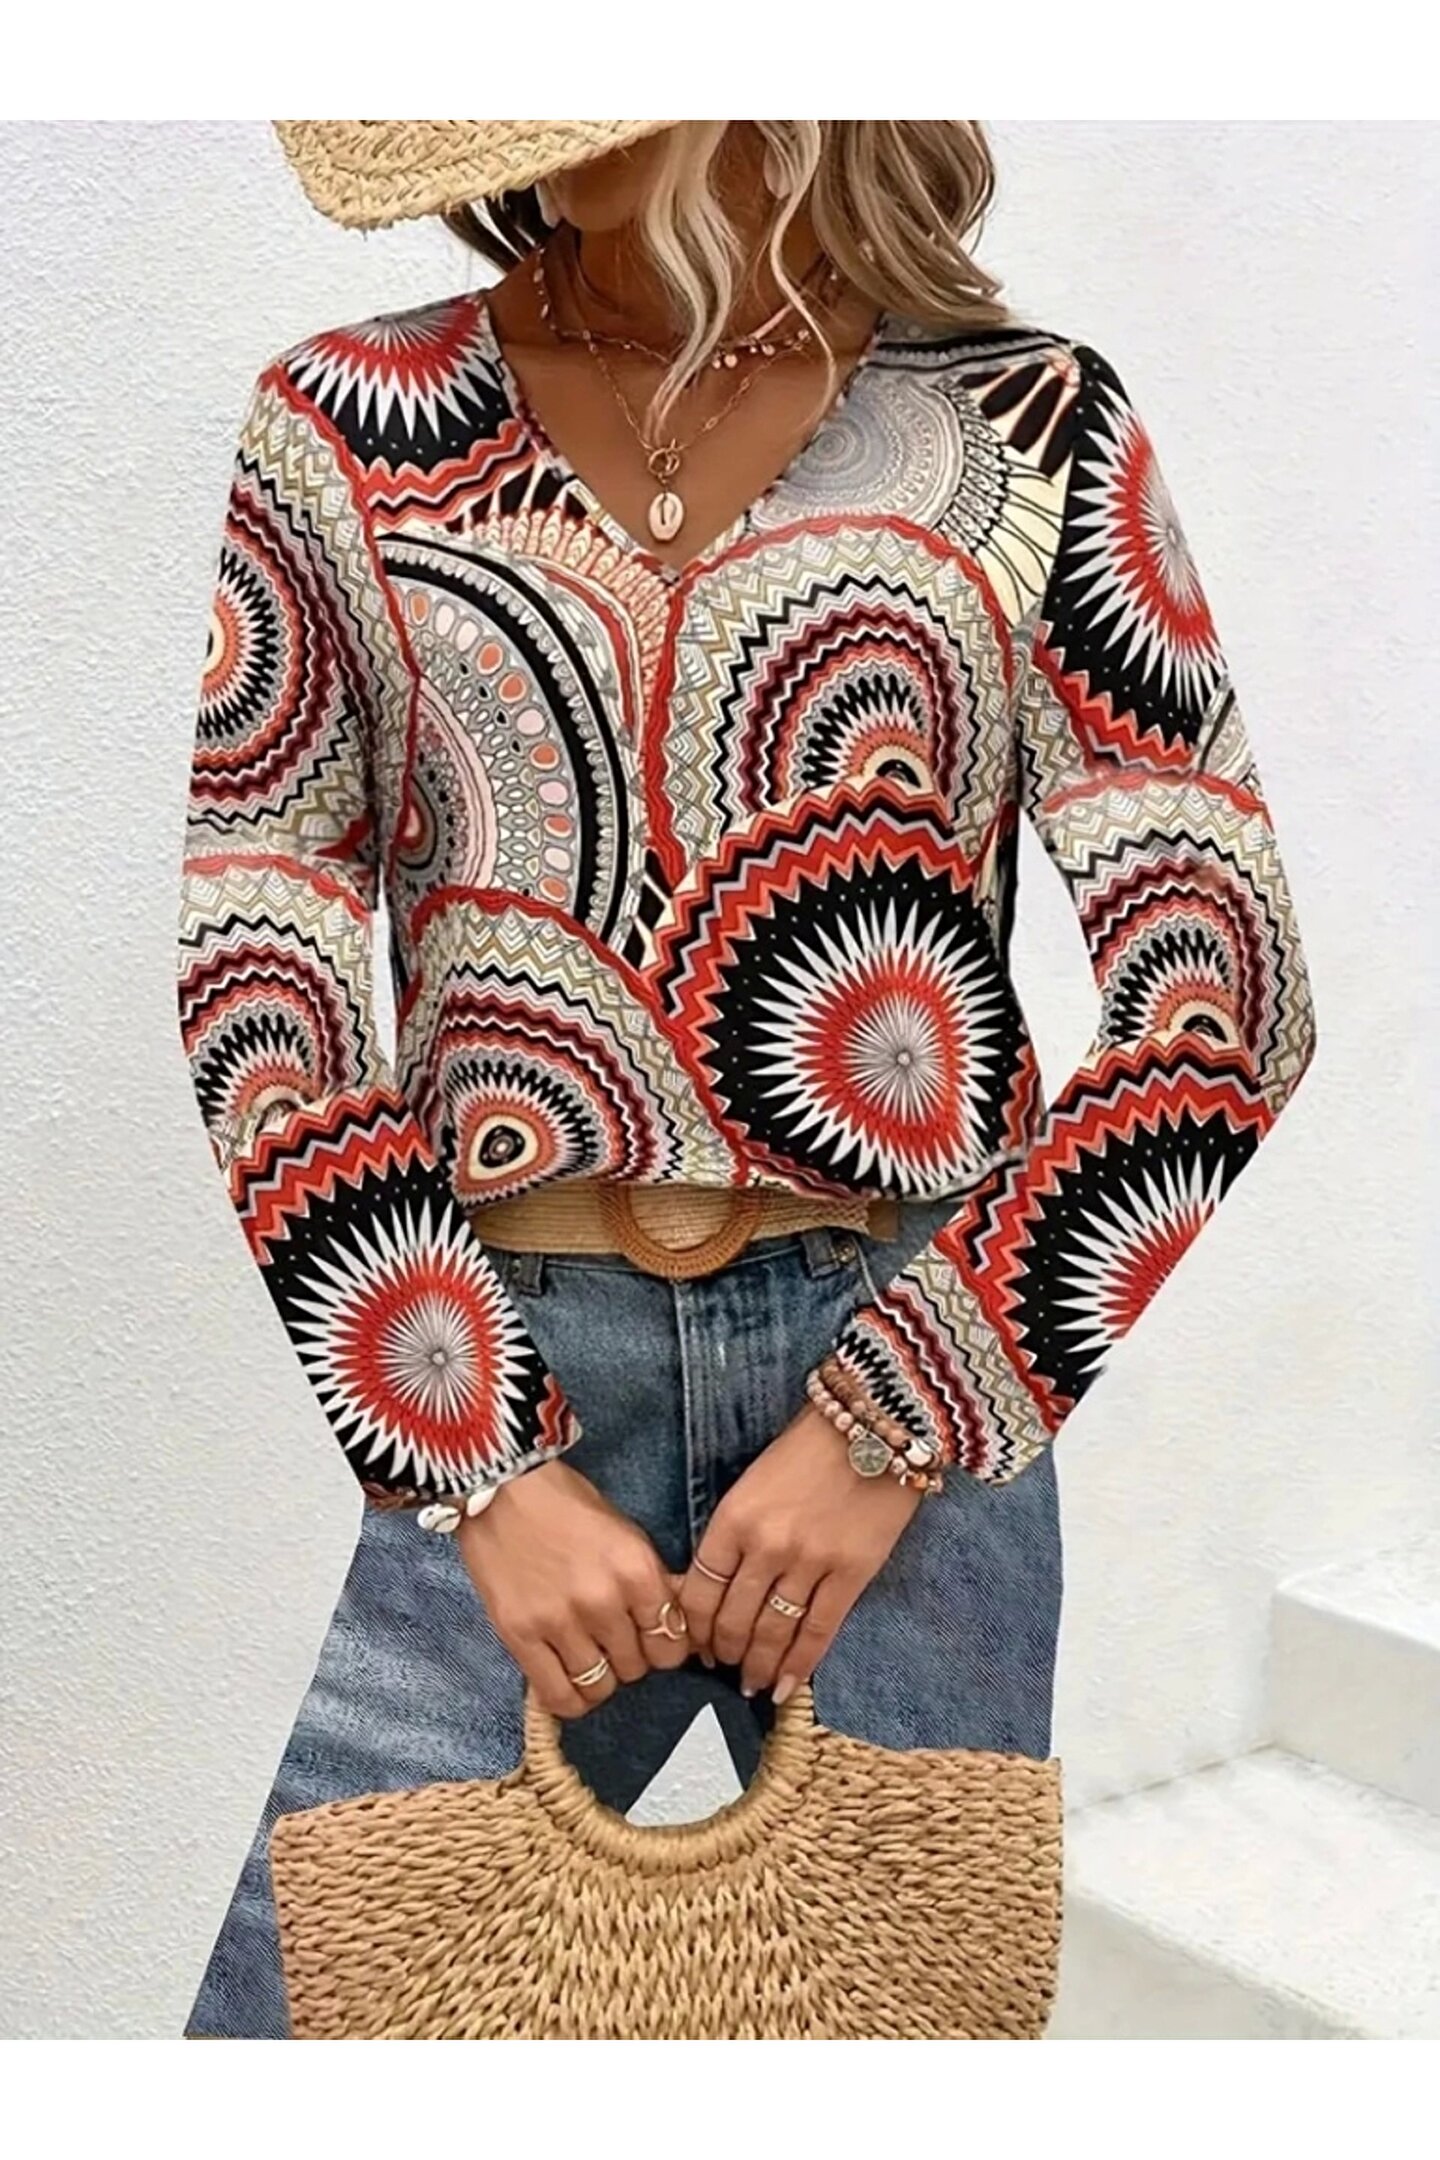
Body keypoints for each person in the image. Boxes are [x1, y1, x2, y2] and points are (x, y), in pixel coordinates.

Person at [176, 120, 1318, 2038]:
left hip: (911, 1372)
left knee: (895, 2048)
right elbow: (257, 968)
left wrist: (898, 1425)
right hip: (507, 1363)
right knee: (316, 2035)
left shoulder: (1028, 421)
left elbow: (1227, 984)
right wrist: (478, 1465)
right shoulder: (345, 421)